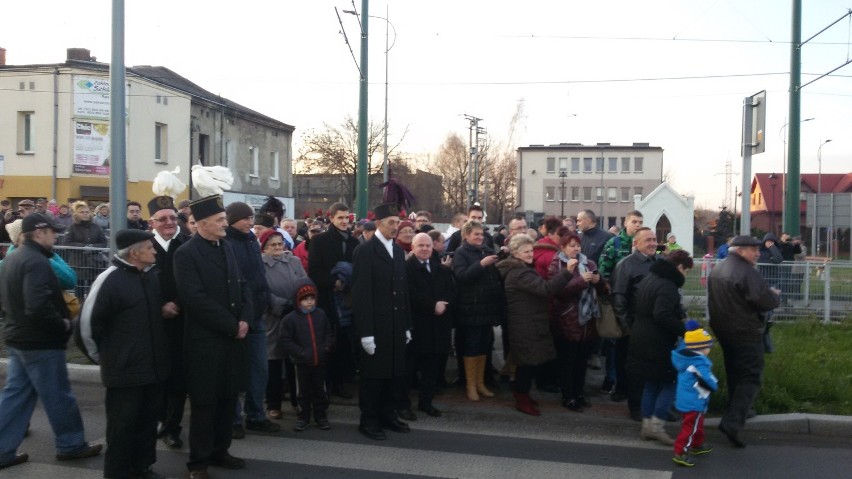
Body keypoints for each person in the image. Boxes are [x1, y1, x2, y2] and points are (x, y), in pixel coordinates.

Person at [0, 213, 102, 471]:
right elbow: (37, 306)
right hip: (40, 342)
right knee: (58, 395)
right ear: (39, 232)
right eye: (52, 232)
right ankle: (71, 445)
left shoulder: (13, 257)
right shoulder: (36, 261)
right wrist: (63, 324)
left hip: (18, 338)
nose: (55, 236)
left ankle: (2, 451)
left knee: (16, 396)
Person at [174, 195, 252, 478]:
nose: (224, 224)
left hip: (232, 339)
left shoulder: (227, 247)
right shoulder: (186, 254)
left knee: (228, 399)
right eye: (220, 221)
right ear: (203, 224)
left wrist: (245, 317)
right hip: (205, 344)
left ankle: (221, 450)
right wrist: (232, 325)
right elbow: (194, 299)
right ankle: (199, 463)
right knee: (205, 405)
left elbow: (242, 286)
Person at [80, 229, 168, 479]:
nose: (154, 251)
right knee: (122, 427)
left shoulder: (150, 277)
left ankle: (142, 467)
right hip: (124, 372)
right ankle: (118, 473)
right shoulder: (110, 279)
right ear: (134, 252)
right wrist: (106, 359)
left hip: (152, 368)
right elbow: (87, 325)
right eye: (149, 247)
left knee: (147, 423)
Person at [708, 235, 780, 448]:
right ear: (739, 250)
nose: (757, 253)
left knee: (734, 373)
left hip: (724, 330)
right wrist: (774, 295)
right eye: (753, 250)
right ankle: (732, 422)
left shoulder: (719, 268)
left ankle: (737, 410)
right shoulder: (746, 271)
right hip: (745, 332)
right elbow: (764, 301)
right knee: (750, 377)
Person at [352, 202, 413, 441]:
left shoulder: (397, 251)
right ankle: (368, 420)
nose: (396, 227)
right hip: (376, 326)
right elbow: (361, 294)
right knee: (373, 377)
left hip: (396, 324)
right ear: (378, 224)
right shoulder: (366, 251)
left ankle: (388, 414)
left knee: (393, 374)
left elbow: (403, 290)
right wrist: (365, 333)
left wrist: (407, 324)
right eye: (391, 223)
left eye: (398, 223)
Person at [496, 233, 573, 416]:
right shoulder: (520, 273)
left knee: (527, 362)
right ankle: (521, 398)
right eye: (525, 251)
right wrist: (567, 273)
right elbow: (546, 289)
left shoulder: (520, 269)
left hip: (527, 322)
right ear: (515, 253)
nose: (530, 254)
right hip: (525, 324)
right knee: (526, 364)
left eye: (531, 250)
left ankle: (523, 394)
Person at [627, 250, 694, 445]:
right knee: (669, 382)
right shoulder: (668, 285)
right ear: (680, 267)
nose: (686, 275)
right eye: (687, 271)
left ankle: (647, 427)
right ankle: (657, 426)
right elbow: (662, 314)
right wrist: (685, 332)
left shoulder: (651, 277)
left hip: (641, 337)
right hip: (657, 342)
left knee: (651, 383)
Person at [224, 202, 279, 438]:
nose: (250, 222)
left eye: (251, 218)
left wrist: (266, 299)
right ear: (233, 219)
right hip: (238, 318)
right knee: (235, 372)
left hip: (257, 315)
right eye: (246, 218)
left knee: (259, 369)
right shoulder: (227, 243)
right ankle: (234, 419)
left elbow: (258, 276)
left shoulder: (250, 242)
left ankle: (256, 415)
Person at [146, 195, 188, 449]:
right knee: (157, 377)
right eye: (163, 219)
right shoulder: (144, 246)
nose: (169, 222)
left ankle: (173, 427)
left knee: (178, 379)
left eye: (173, 217)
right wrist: (159, 306)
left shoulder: (187, 243)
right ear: (153, 222)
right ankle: (160, 419)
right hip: (154, 322)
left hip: (182, 322)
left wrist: (177, 304)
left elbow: (194, 282)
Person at [308, 202, 361, 399]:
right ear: (331, 218)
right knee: (328, 343)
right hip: (327, 300)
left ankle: (340, 382)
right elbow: (314, 271)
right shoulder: (319, 241)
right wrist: (335, 282)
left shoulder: (355, 243)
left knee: (345, 343)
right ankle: (326, 385)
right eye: (340, 217)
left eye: (347, 218)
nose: (344, 221)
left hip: (347, 300)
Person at [547, 231, 604, 412]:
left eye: (578, 245)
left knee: (582, 362)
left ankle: (579, 393)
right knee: (567, 362)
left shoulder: (589, 263)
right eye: (571, 245)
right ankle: (568, 396)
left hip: (587, 321)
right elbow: (557, 292)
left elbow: (604, 289)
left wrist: (598, 281)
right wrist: (580, 280)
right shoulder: (557, 264)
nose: (576, 248)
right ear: (562, 247)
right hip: (567, 320)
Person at [452, 220, 504, 402]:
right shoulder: (461, 253)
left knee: (484, 346)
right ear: (466, 235)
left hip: (487, 308)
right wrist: (481, 264)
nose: (480, 237)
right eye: (476, 234)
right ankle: (470, 385)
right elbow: (462, 277)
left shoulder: (488, 250)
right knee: (472, 346)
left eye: (481, 234)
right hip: (471, 308)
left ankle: (480, 383)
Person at [611, 226, 658, 420]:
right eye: (648, 240)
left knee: (655, 368)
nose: (653, 243)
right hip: (635, 326)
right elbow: (619, 298)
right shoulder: (626, 265)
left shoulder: (659, 263)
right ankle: (635, 406)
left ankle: (656, 405)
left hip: (656, 327)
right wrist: (627, 328)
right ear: (635, 243)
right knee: (635, 371)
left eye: (654, 240)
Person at [405, 233, 454, 417]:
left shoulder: (440, 269)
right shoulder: (406, 269)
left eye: (428, 245)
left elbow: (451, 291)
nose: (425, 249)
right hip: (417, 326)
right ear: (413, 247)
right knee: (409, 370)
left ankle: (426, 403)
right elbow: (410, 294)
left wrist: (444, 305)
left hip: (437, 327)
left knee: (431, 370)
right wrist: (433, 306)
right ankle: (404, 405)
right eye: (420, 245)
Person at [259, 229, 307, 420]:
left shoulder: (293, 261)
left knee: (294, 361)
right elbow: (262, 290)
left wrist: (299, 302)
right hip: (273, 318)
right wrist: (280, 305)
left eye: (280, 244)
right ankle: (274, 403)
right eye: (273, 245)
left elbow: (304, 282)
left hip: (296, 315)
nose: (278, 248)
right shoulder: (260, 264)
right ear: (265, 248)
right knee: (274, 364)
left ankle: (298, 401)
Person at [280, 281, 334, 432]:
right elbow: (285, 340)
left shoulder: (321, 315)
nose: (309, 302)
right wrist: (300, 352)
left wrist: (326, 347)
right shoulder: (290, 319)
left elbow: (328, 333)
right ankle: (303, 417)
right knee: (302, 391)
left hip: (320, 360)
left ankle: (321, 416)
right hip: (301, 362)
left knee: (320, 390)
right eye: (305, 299)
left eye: (312, 298)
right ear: (298, 300)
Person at [671, 320, 718, 467]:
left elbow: (688, 341)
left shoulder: (685, 356)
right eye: (708, 346)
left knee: (697, 424)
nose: (709, 349)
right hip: (694, 400)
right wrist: (715, 385)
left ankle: (697, 444)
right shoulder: (699, 362)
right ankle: (680, 452)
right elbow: (709, 380)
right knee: (690, 428)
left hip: (686, 398)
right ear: (701, 348)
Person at [61, 200, 109, 298]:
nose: (85, 214)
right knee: (79, 289)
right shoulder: (72, 227)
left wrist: (93, 248)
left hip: (94, 263)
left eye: (87, 212)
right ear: (76, 214)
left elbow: (103, 242)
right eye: (82, 212)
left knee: (93, 289)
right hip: (78, 263)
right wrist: (82, 247)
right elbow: (66, 243)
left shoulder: (96, 227)